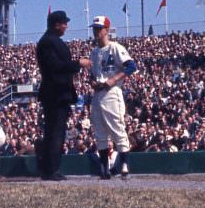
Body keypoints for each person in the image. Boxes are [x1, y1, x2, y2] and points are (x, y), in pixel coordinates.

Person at [34, 10, 90, 180]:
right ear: (56, 24)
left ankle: (50, 169)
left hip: (58, 92)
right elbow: (54, 65)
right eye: (64, 23)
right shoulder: (48, 42)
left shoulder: (51, 41)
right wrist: (77, 64)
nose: (66, 26)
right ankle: (51, 170)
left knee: (55, 131)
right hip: (55, 93)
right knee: (55, 132)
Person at [88, 15, 137, 179]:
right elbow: (92, 74)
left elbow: (131, 66)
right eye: (94, 28)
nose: (96, 31)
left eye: (99, 28)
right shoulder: (94, 52)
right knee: (100, 132)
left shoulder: (115, 47)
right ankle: (104, 168)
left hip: (112, 91)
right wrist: (92, 82)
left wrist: (114, 79)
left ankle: (124, 164)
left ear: (106, 30)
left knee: (117, 129)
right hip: (98, 93)